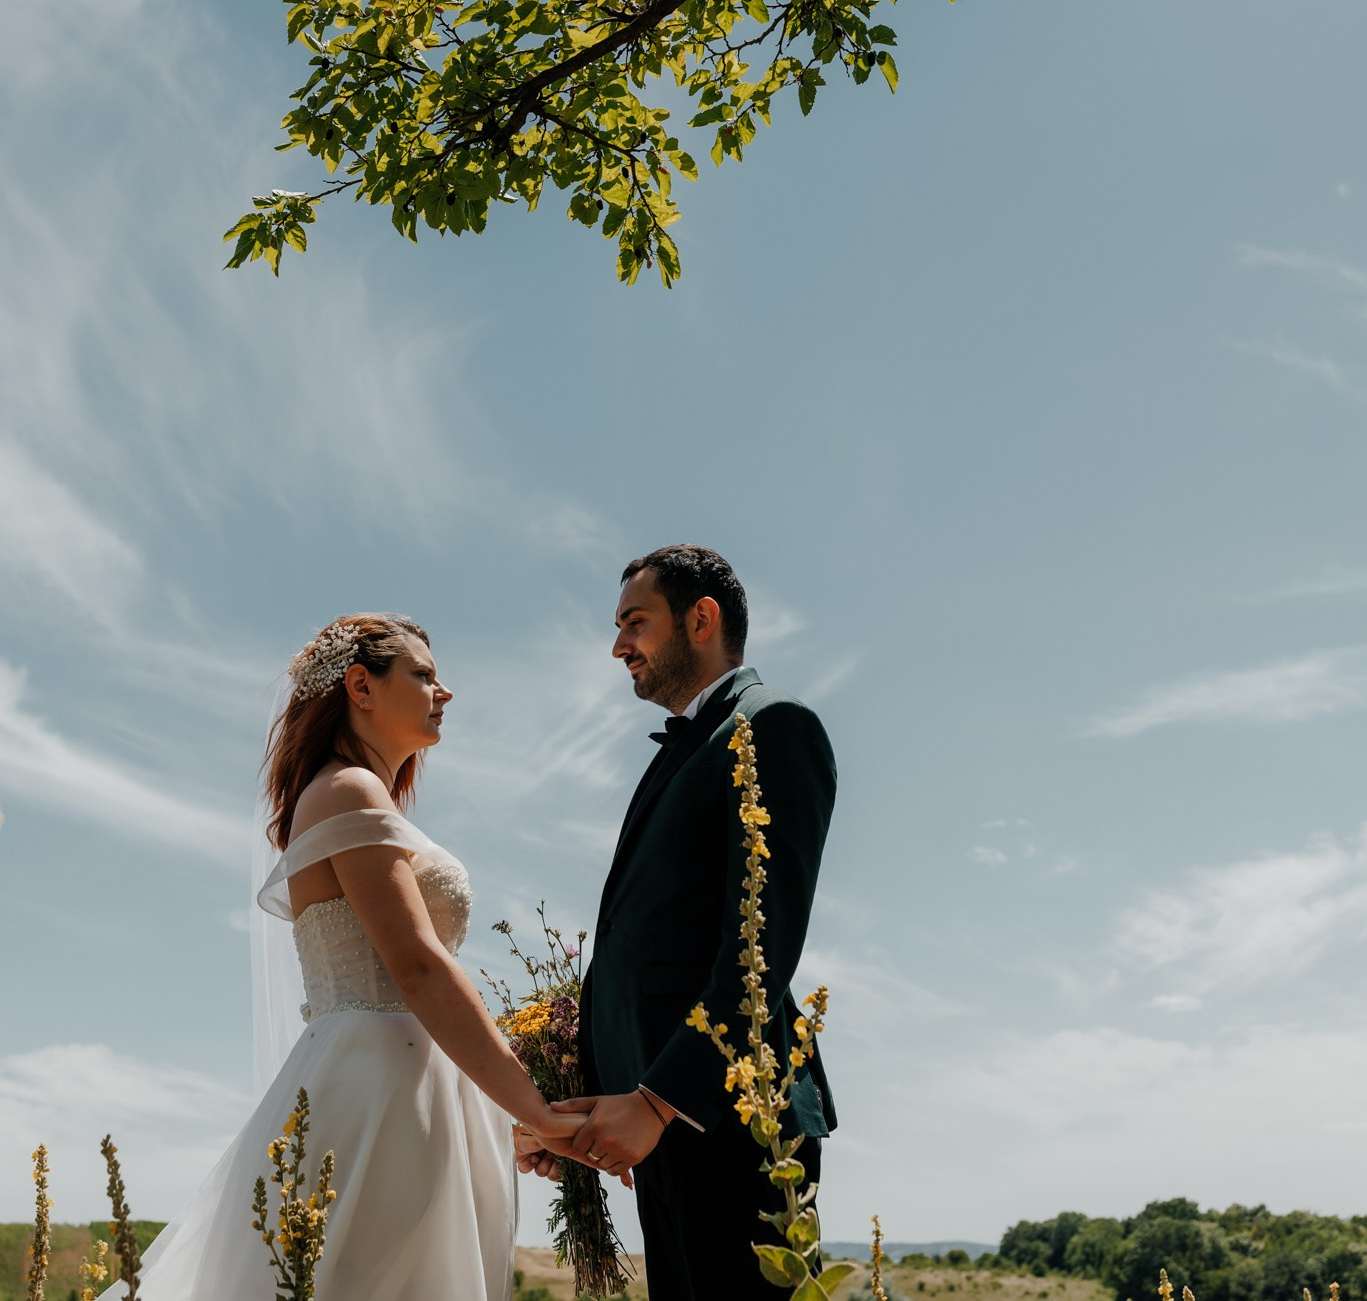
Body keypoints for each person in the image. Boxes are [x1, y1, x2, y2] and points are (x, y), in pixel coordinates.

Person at [111, 613, 583, 1301]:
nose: (443, 692)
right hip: (380, 1094)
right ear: (361, 685)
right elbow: (417, 966)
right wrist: (537, 1111)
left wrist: (512, 1108)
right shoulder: (348, 789)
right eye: (423, 675)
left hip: (405, 1083)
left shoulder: (352, 794)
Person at [524, 545, 840, 1300]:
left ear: (701, 619)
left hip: (737, 1125)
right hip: (660, 1127)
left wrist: (658, 1101)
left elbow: (758, 956)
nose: (618, 646)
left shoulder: (774, 726)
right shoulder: (679, 750)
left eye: (636, 623)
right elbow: (641, 954)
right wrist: (574, 1109)